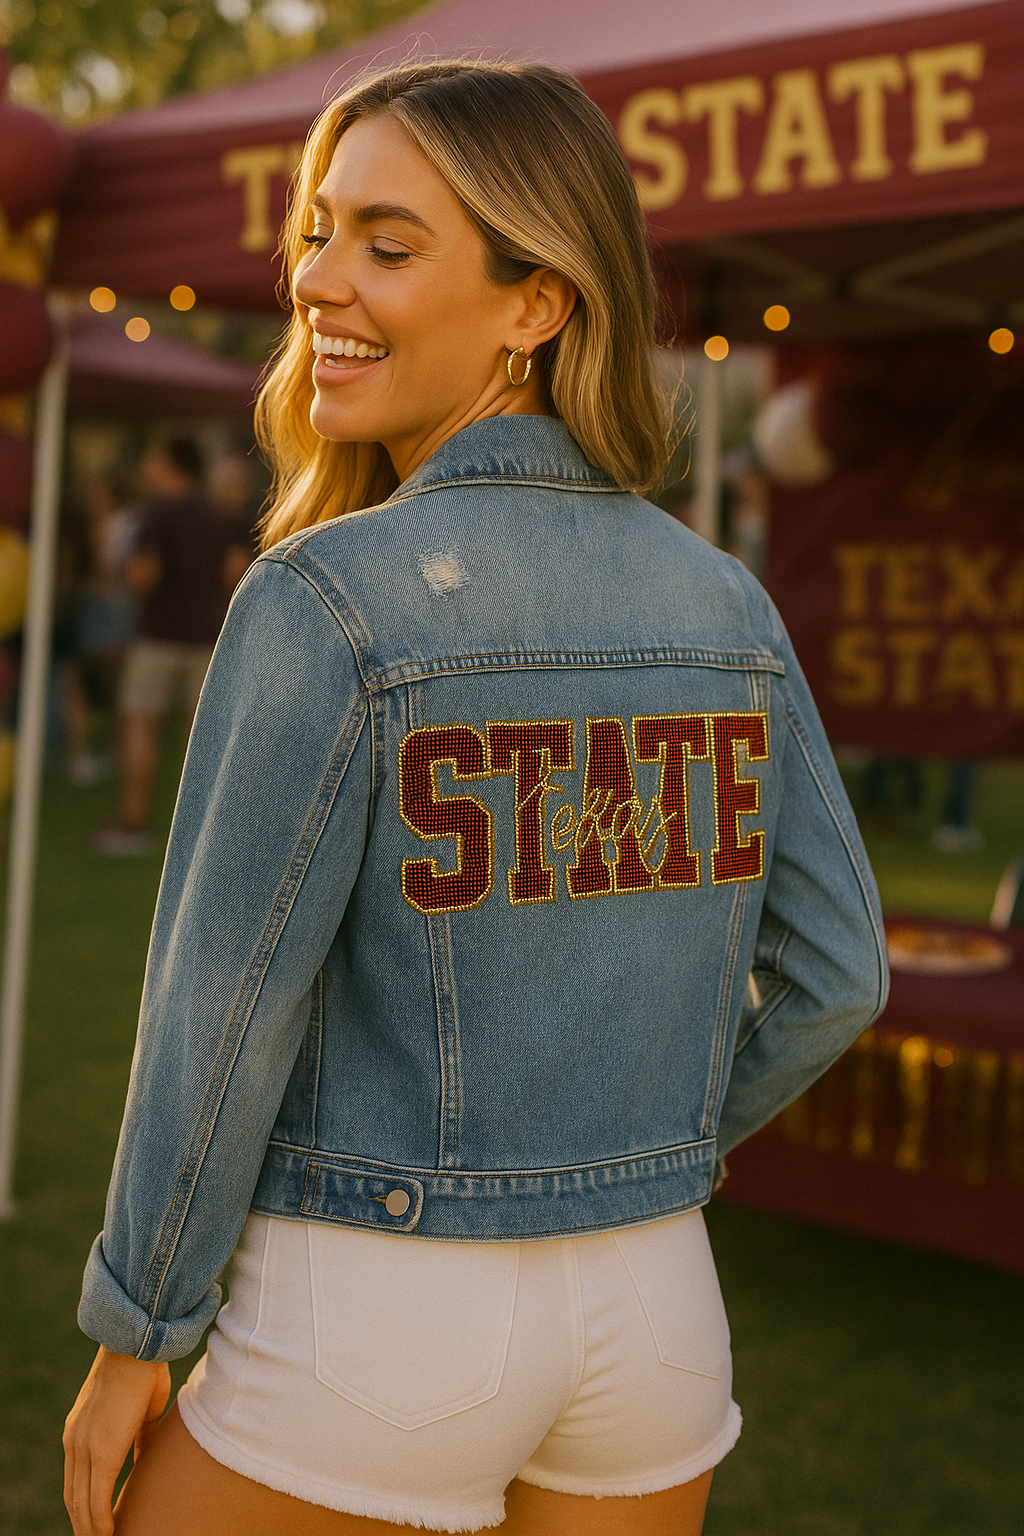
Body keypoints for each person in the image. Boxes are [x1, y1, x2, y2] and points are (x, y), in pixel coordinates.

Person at [63, 60, 888, 1536]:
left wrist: (139, 1324)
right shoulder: (727, 599)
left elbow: (224, 1008)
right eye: (319, 230)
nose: (319, 278)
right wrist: (640, 1145)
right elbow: (835, 978)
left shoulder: (328, 595)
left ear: (538, 302)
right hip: (656, 1314)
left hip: (371, 1310)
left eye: (388, 243)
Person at [92, 437, 251, 856]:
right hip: (209, 637)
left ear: (167, 462)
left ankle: (133, 823)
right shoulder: (217, 514)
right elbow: (236, 571)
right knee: (199, 735)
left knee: (140, 726)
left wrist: (123, 574)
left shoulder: (156, 513)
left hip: (159, 636)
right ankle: (203, 834)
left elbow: (145, 575)